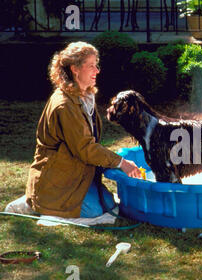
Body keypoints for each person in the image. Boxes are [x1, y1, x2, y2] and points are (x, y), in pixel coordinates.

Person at [5, 41, 141, 218]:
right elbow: (85, 148)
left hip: (75, 175)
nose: (97, 70)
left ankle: (39, 201)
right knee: (96, 212)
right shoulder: (64, 105)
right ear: (75, 69)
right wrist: (122, 162)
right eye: (91, 66)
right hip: (59, 179)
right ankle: (32, 203)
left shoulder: (83, 96)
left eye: (96, 65)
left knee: (109, 204)